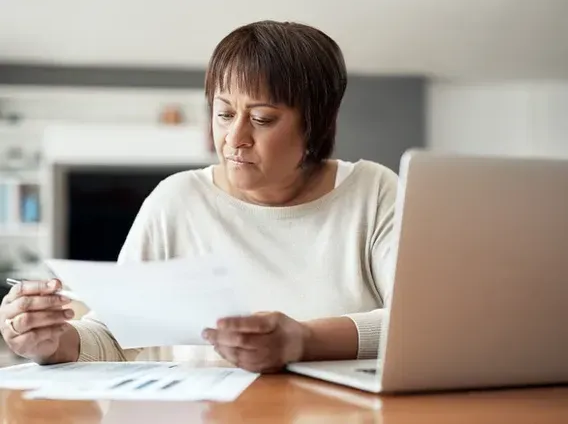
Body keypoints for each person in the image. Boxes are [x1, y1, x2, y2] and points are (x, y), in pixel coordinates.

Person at [0, 20, 397, 373]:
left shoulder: (374, 192)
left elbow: (423, 324)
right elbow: (115, 337)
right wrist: (49, 343)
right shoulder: (176, 200)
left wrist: (302, 340)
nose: (234, 139)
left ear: (316, 124)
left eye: (261, 119)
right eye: (225, 114)